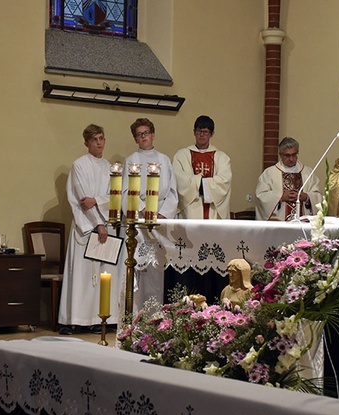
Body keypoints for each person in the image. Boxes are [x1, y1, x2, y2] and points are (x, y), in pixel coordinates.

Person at [58, 124, 121, 334]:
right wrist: (98, 224)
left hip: (105, 227)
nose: (100, 143)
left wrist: (98, 201)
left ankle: (98, 319)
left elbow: (115, 197)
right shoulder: (79, 166)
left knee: (103, 274)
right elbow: (82, 200)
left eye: (102, 138)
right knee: (83, 277)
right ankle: (74, 319)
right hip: (86, 228)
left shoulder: (110, 167)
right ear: (86, 143)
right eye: (95, 139)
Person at [123, 118, 178, 311]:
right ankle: (137, 311)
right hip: (139, 221)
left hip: (160, 220)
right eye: (139, 134)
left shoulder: (164, 159)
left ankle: (156, 312)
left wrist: (163, 214)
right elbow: (125, 191)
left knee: (157, 268)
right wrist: (140, 208)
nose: (143, 137)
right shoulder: (131, 160)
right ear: (135, 138)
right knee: (140, 267)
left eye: (146, 133)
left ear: (153, 134)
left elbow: (172, 191)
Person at [172, 115, 232, 219]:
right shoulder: (182, 155)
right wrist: (204, 184)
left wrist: (198, 184)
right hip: (189, 210)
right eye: (199, 131)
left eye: (205, 132)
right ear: (194, 132)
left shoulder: (221, 157)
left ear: (212, 134)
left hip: (212, 209)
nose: (202, 135)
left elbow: (224, 181)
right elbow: (179, 179)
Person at [255, 137, 322, 221]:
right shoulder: (269, 173)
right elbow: (261, 196)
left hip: (303, 222)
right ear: (280, 154)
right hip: (278, 223)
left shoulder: (308, 172)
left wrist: (306, 197)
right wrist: (281, 196)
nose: (291, 159)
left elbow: (318, 196)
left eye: (294, 155)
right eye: (287, 155)